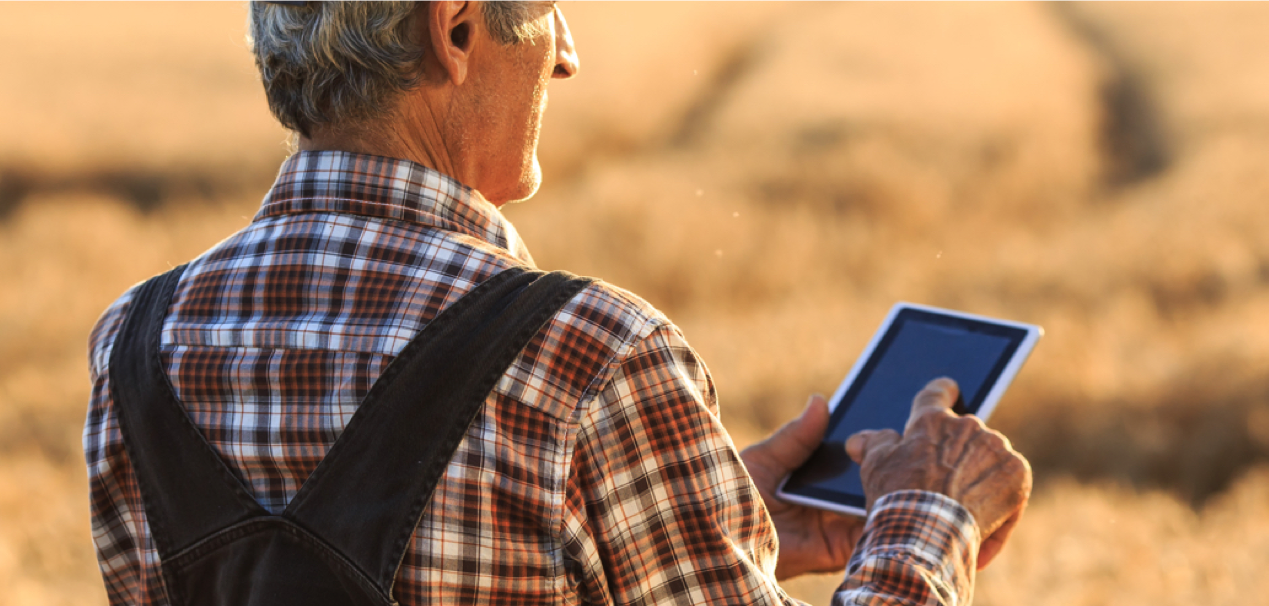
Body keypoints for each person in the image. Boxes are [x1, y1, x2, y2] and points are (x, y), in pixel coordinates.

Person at [83, 0, 1032, 604]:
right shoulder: (590, 354)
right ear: (455, 29)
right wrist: (925, 517)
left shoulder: (133, 343)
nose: (567, 53)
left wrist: (688, 532)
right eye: (544, 7)